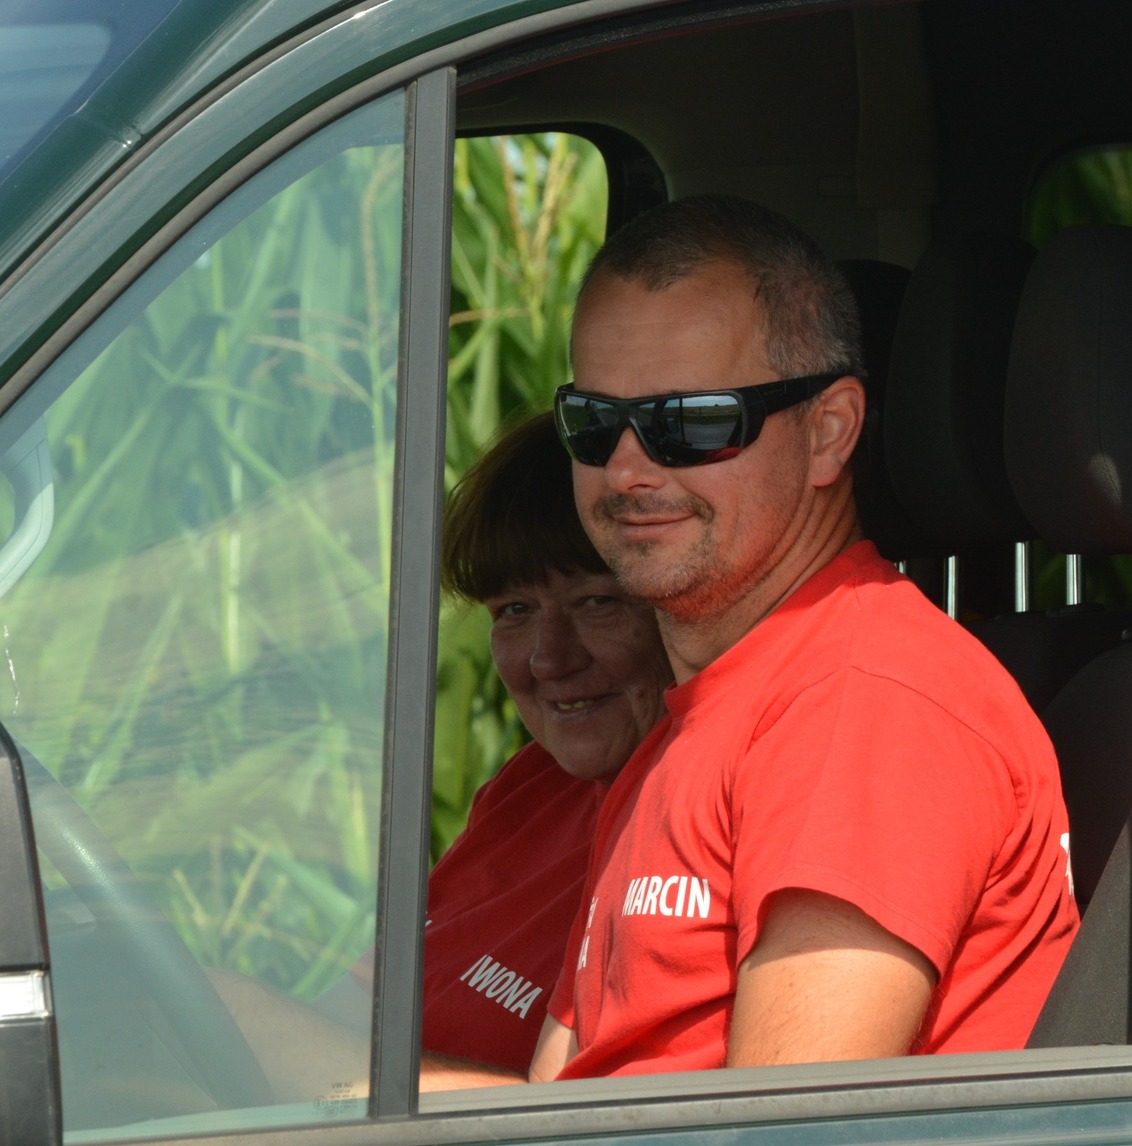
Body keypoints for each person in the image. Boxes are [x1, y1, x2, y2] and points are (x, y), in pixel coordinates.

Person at [530, 196, 1079, 1082]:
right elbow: (554, 1098)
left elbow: (777, 1141)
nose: (626, 470)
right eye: (593, 423)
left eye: (691, 423)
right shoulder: (704, 716)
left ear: (829, 432)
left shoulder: (868, 703)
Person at [413, 415, 672, 1089]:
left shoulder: (688, 823)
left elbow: (592, 1127)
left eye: (596, 602)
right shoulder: (533, 786)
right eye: (513, 611)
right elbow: (353, 1013)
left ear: (683, 608)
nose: (547, 660)